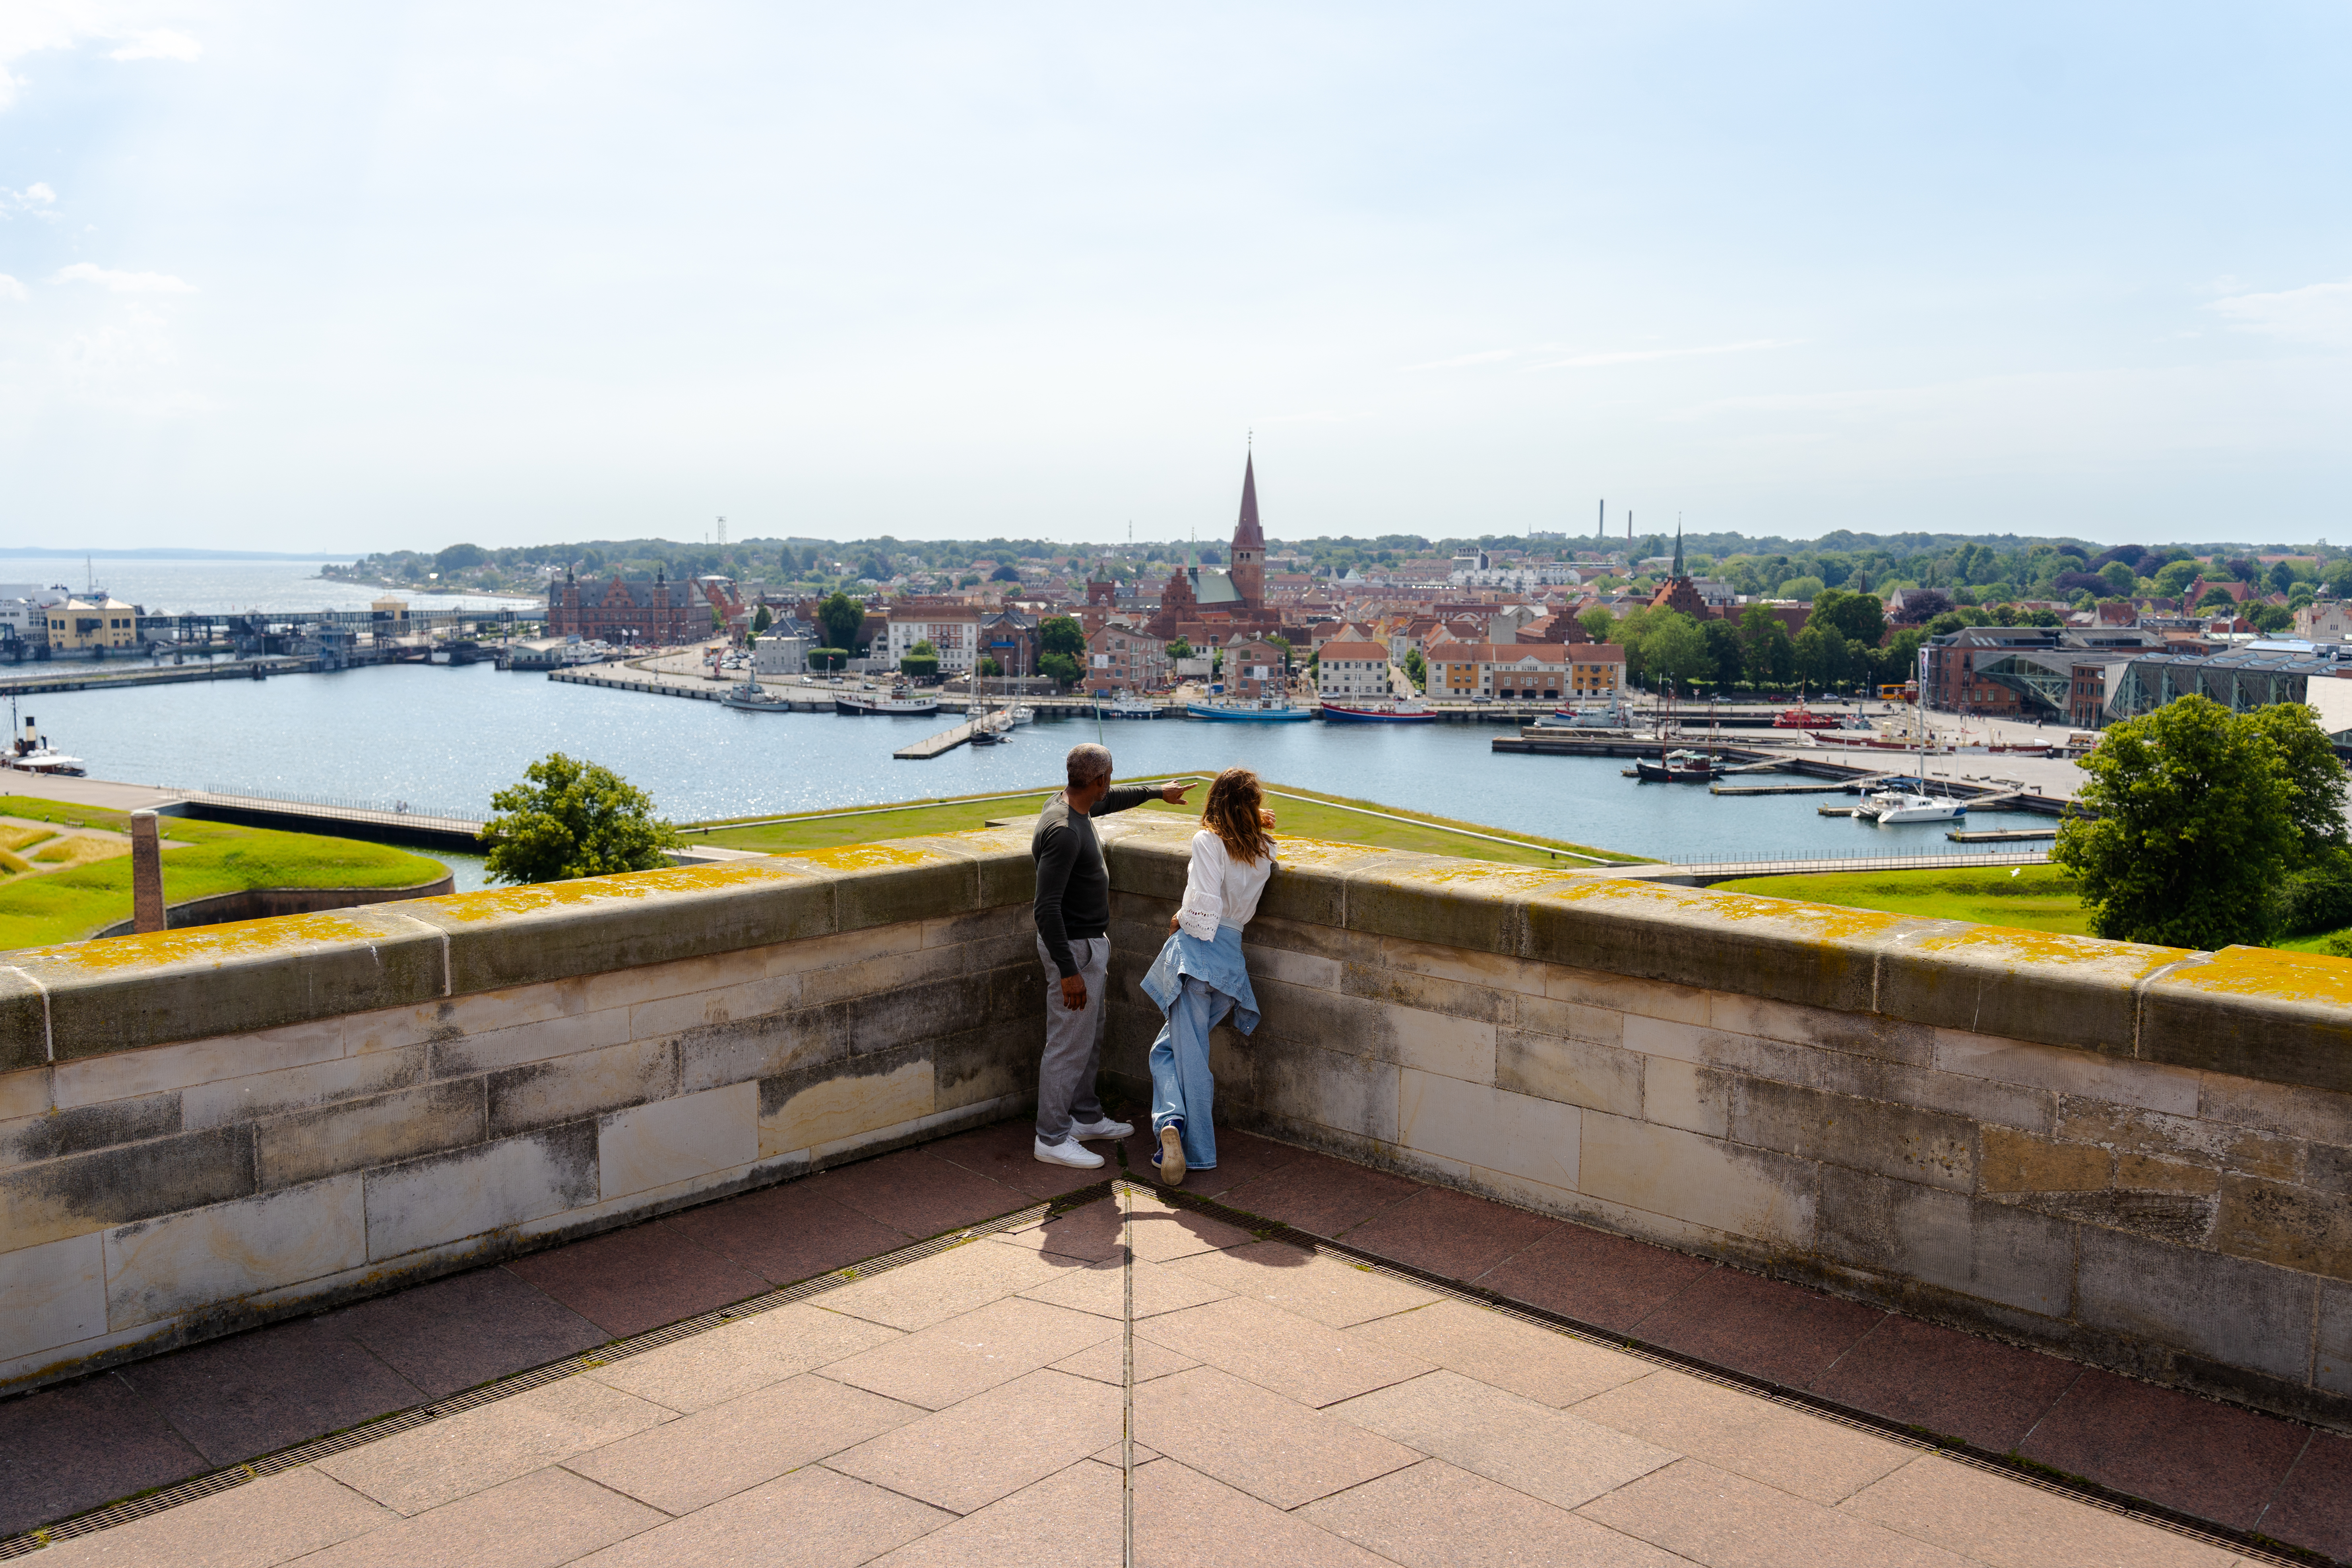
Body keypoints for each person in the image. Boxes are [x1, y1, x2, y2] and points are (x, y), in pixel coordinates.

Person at [1031, 744, 1193, 1169]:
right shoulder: (1064, 831)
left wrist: (1160, 793)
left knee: (1089, 1035)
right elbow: (1045, 908)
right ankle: (1050, 1138)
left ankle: (1083, 1118)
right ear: (1098, 781)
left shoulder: (1072, 803)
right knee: (1067, 1044)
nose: (1112, 786)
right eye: (1111, 778)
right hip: (1074, 950)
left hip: (1086, 947)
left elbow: (1113, 800)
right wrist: (1069, 972)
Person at [1140, 768, 1276, 1185]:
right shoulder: (1264, 848)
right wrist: (1256, 822)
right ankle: (1171, 1128)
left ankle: (1191, 1145)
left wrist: (1179, 917)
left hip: (1199, 958)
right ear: (1250, 807)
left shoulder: (1207, 841)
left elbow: (1201, 911)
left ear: (1214, 800)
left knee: (1189, 1059)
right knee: (1168, 1052)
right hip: (1230, 968)